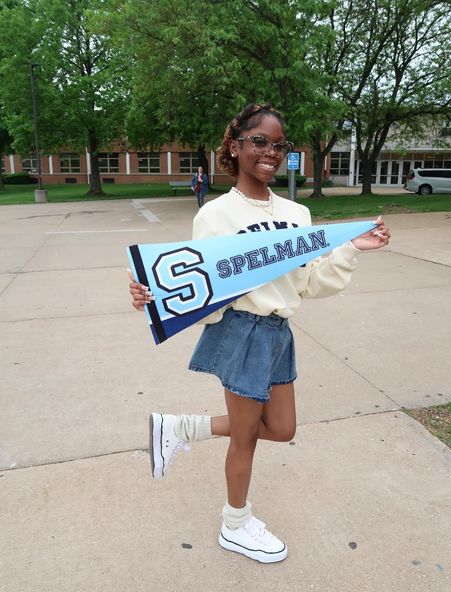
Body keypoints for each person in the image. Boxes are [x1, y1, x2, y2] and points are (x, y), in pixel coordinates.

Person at [128, 103, 390, 564]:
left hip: (279, 331)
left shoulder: (297, 214)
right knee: (246, 436)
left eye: (279, 144)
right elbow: (195, 282)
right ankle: (236, 523)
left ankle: (182, 427)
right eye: (260, 141)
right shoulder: (216, 215)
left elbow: (308, 282)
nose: (270, 151)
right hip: (243, 329)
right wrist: (152, 294)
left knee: (282, 428)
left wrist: (350, 248)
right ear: (236, 145)